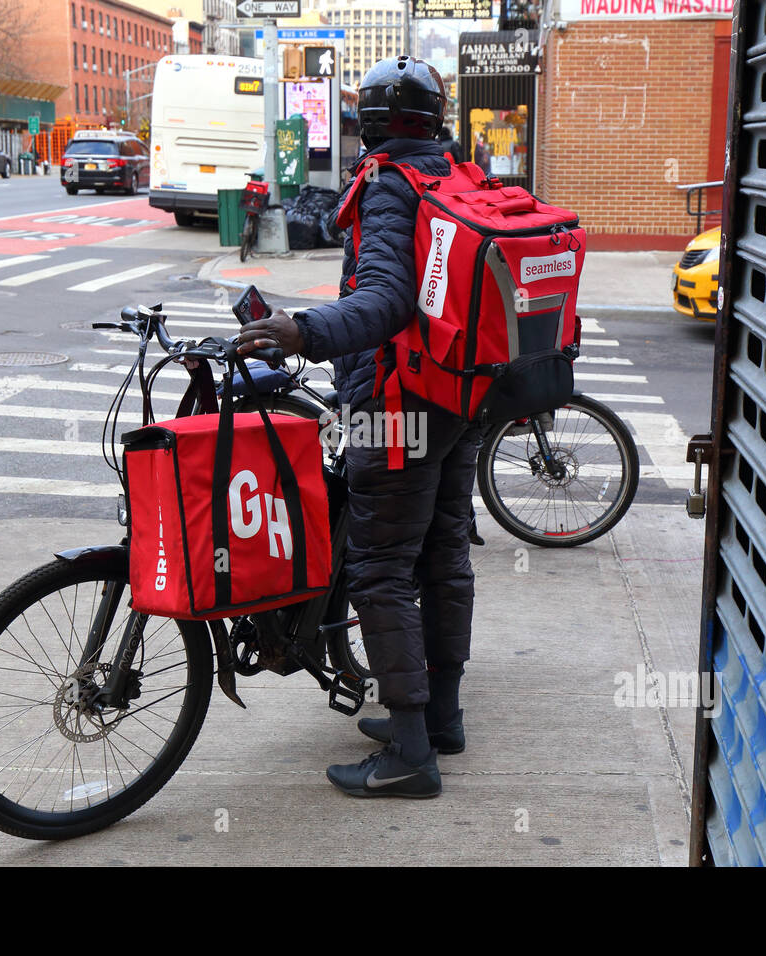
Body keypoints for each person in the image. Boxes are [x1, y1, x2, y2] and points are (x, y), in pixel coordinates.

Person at [238, 55, 484, 799]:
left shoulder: (387, 186)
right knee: (442, 555)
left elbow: (385, 302)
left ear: (372, 122)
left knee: (380, 570)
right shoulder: (450, 175)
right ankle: (441, 716)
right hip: (457, 397)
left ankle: (410, 750)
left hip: (398, 404)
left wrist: (300, 329)